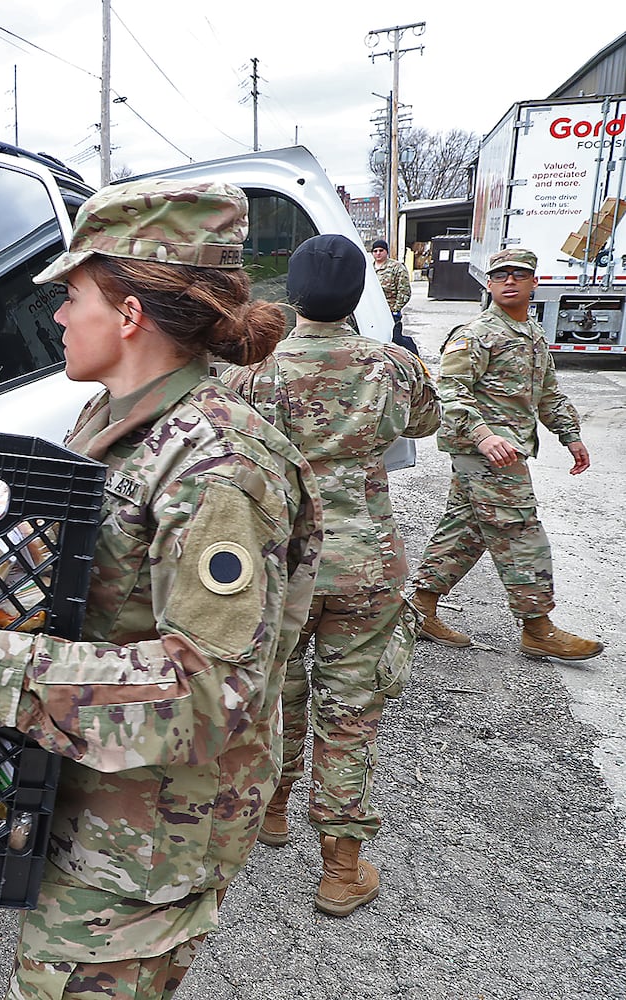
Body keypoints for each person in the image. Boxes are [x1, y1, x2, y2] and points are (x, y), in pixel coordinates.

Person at [0, 180, 322, 1000]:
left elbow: (211, 691)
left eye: (72, 295)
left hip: (148, 834)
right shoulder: (118, 418)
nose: (57, 317)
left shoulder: (219, 465)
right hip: (94, 789)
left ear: (129, 316)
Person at [222, 234, 440, 916]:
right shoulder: (394, 365)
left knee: (277, 697)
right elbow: (427, 422)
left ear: (291, 293)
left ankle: (274, 812)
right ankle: (341, 870)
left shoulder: (252, 373)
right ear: (358, 297)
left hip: (282, 566)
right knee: (350, 714)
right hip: (366, 565)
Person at [408, 248, 603, 661]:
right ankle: (537, 627)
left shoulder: (530, 333)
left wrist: (570, 434)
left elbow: (547, 391)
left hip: (504, 451)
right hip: (485, 451)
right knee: (520, 530)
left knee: (468, 528)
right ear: (489, 284)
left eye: (519, 275)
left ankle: (419, 607)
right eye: (500, 276)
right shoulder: (476, 334)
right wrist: (482, 435)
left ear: (535, 282)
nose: (509, 281)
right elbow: (450, 391)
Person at [370, 239, 418, 354]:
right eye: (375, 251)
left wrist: (395, 309)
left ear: (386, 251)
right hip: (373, 311)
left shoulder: (396, 267)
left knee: (394, 340)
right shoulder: (370, 269)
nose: (378, 253)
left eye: (381, 250)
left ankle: (412, 354)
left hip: (390, 311)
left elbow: (404, 291)